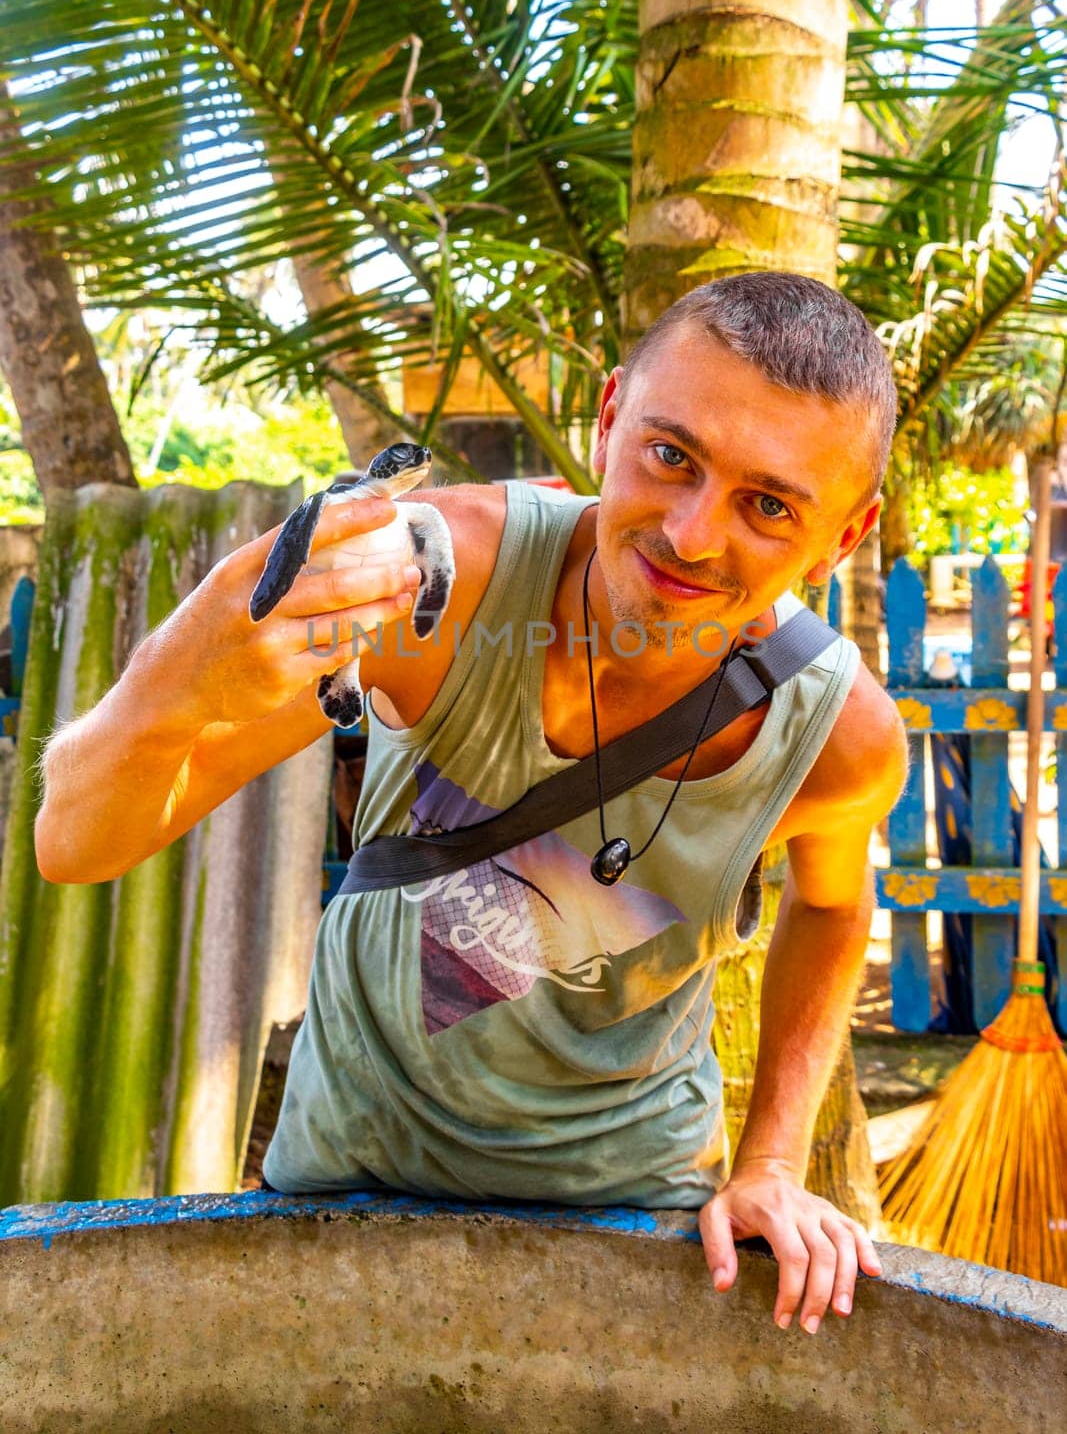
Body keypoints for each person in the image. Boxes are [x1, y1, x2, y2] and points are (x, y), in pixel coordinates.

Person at [35, 272, 907, 1337]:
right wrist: (178, 669)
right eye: (669, 455)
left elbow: (830, 905)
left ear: (844, 535)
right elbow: (77, 842)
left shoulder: (840, 738)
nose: (689, 532)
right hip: (345, 1180)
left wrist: (772, 1156)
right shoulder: (425, 592)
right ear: (606, 416)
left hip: (640, 1220)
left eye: (765, 504)